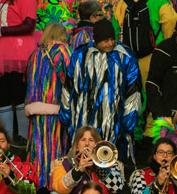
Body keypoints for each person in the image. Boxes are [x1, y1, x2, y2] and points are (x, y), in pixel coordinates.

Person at [59, 18, 142, 163]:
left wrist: (129, 120)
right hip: (84, 119)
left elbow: (133, 89)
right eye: (105, 40)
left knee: (111, 161)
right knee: (82, 158)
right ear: (96, 40)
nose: (110, 43)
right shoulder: (81, 56)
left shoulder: (125, 57)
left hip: (115, 123)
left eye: (112, 39)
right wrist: (65, 114)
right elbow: (69, 86)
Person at [0, 0, 40, 141]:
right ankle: (6, 137)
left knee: (18, 91)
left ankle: (22, 135)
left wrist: (2, 31)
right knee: (4, 92)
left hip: (19, 51)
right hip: (4, 51)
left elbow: (29, 25)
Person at [25, 23, 72, 189]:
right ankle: (54, 183)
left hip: (35, 109)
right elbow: (71, 78)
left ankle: (36, 182)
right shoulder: (64, 51)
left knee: (37, 147)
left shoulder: (35, 54)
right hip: (55, 108)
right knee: (55, 147)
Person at [114, 0, 177, 84]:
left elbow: (115, 29)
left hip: (129, 59)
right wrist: (167, 44)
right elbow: (171, 20)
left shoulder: (123, 2)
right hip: (155, 55)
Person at [48, 126, 126, 194]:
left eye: (91, 140)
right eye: (83, 140)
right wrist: (78, 170)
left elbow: (117, 188)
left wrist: (97, 165)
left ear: (97, 145)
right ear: (77, 146)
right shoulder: (63, 163)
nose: (87, 143)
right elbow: (61, 189)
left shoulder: (109, 163)